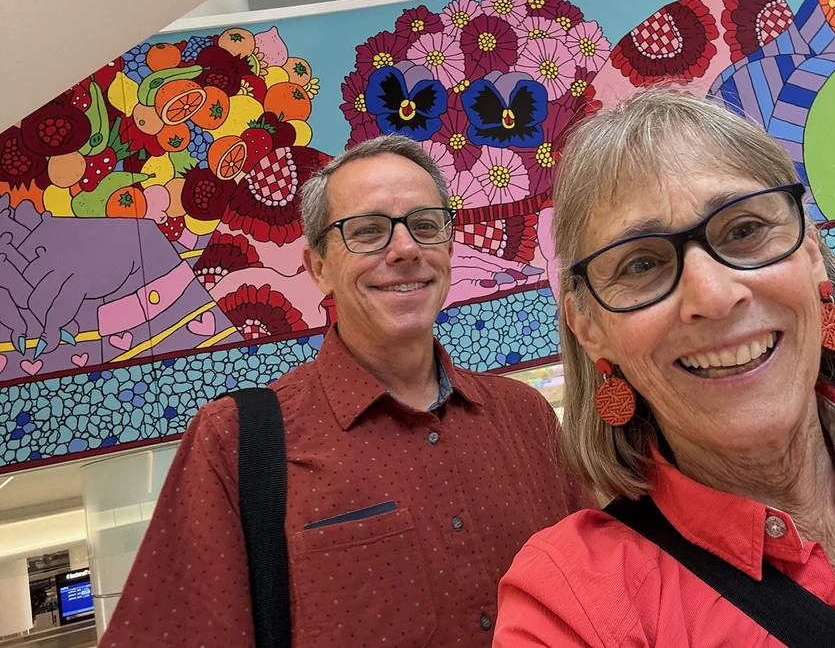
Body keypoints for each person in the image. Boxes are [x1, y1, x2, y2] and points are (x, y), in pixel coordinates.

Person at [493, 89, 835, 647]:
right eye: (641, 263)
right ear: (588, 327)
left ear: (810, 253)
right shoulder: (571, 603)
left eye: (743, 230)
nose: (712, 295)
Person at [100, 134, 594, 647]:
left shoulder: (526, 418)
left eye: (425, 226)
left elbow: (599, 592)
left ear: (448, 249)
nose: (404, 250)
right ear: (319, 269)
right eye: (367, 231)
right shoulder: (236, 441)